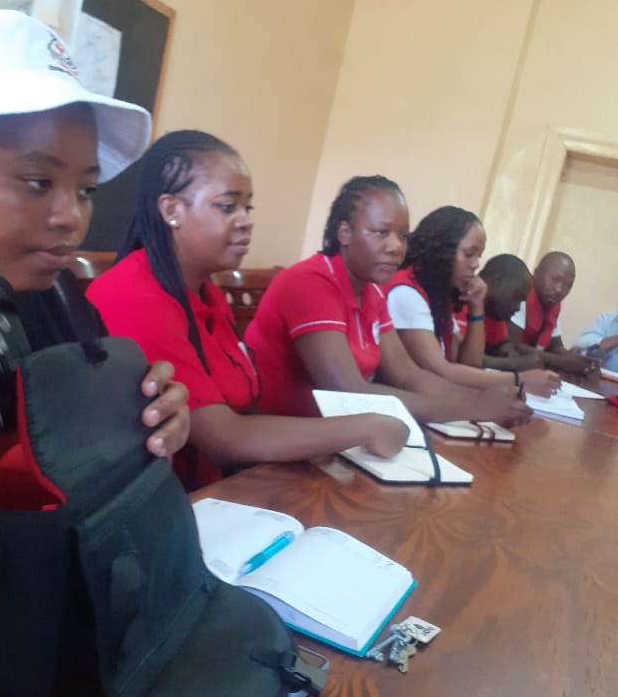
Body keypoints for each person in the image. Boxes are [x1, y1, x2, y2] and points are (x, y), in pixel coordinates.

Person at [0, 9, 191, 499]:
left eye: (87, 190)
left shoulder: (57, 299)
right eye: (38, 182)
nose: (71, 216)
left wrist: (147, 427)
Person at [86, 132, 408, 487]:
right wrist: (366, 427)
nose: (245, 221)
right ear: (172, 210)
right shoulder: (135, 294)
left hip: (226, 485)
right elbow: (224, 438)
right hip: (170, 497)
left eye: (247, 208)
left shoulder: (208, 293)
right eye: (228, 207)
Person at [245, 178, 530, 425]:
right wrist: (470, 407)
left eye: (402, 236)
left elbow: (408, 375)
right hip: (278, 442)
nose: (396, 247)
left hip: (335, 435)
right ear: (344, 233)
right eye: (381, 232)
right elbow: (348, 392)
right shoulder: (310, 282)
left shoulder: (373, 291)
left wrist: (484, 400)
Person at [387, 207, 559, 397]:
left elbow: (469, 363)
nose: (476, 264)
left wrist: (477, 306)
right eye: (469, 254)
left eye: (479, 256)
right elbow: (440, 370)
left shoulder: (437, 294)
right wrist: (518, 379)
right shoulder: (406, 292)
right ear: (442, 251)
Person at [508, 251, 596, 374]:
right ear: (536, 274)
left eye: (568, 285)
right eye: (555, 279)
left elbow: (555, 346)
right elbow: (513, 347)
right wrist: (562, 361)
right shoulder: (521, 294)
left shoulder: (552, 304)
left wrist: (573, 357)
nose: (560, 289)